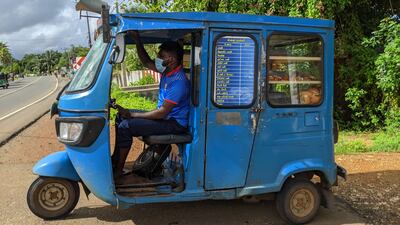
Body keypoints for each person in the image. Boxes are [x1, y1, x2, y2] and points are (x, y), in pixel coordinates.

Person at [112, 31, 190, 181]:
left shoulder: (178, 82)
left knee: (126, 126)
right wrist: (137, 40)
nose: (158, 60)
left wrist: (133, 115)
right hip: (165, 118)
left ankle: (119, 170)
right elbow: (146, 62)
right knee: (120, 117)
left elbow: (161, 113)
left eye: (161, 57)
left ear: (170, 59)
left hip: (174, 123)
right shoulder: (167, 71)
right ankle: (115, 160)